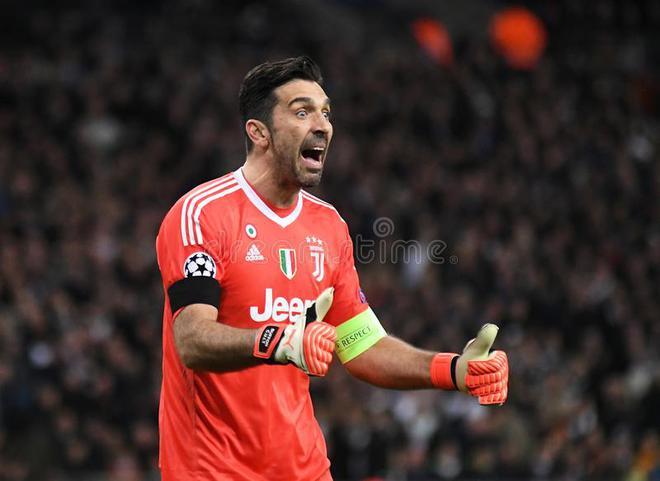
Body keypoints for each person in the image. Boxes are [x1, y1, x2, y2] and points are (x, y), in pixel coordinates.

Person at [155, 56, 509, 481]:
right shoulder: (202, 213)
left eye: (325, 112)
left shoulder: (328, 226)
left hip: (306, 470)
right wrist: (280, 341)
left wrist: (452, 370)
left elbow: (362, 346)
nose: (322, 125)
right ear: (259, 132)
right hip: (213, 472)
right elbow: (192, 339)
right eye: (302, 112)